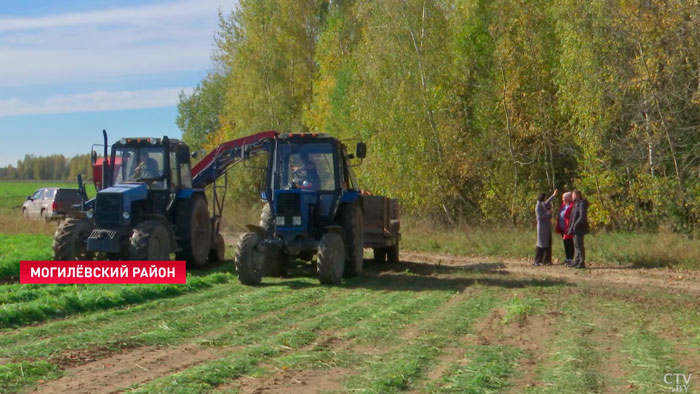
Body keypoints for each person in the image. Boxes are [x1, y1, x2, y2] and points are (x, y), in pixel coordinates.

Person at [534, 189, 558, 266]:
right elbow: (539, 217)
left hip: (547, 227)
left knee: (548, 243)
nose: (545, 199)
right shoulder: (538, 206)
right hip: (542, 227)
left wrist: (553, 195)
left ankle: (546, 260)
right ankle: (537, 260)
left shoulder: (542, 204)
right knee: (541, 244)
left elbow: (547, 202)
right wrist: (547, 213)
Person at [567, 190, 589, 269]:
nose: (572, 197)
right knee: (575, 245)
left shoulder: (582, 204)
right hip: (574, 228)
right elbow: (573, 216)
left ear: (577, 195)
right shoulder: (575, 204)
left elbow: (582, 216)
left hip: (579, 228)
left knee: (579, 246)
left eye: (573, 195)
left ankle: (581, 262)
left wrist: (576, 225)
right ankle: (577, 260)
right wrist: (571, 226)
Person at [555, 192, 575, 266]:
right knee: (565, 243)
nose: (563, 200)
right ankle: (567, 258)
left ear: (569, 198)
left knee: (570, 243)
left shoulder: (572, 206)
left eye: (564, 198)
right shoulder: (563, 205)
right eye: (563, 198)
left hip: (569, 228)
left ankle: (570, 259)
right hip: (563, 228)